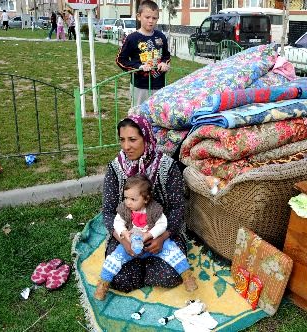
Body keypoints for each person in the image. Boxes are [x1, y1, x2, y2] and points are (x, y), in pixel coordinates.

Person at [102, 115, 189, 293]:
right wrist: (122, 240)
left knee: (169, 276)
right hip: (127, 236)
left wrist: (161, 237)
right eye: (122, 140)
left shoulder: (168, 167)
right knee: (119, 280)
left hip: (162, 235)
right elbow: (108, 212)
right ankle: (140, 266)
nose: (126, 146)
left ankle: (148, 265)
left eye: (132, 139)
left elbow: (177, 208)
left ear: (146, 137)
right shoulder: (115, 168)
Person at [95, 174, 197, 300]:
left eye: (133, 199)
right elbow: (117, 222)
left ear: (146, 199)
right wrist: (124, 234)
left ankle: (187, 276)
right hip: (131, 243)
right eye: (126, 198)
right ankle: (103, 284)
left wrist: (150, 235)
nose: (128, 202)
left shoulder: (154, 209)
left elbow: (162, 224)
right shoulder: (124, 209)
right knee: (115, 258)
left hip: (153, 242)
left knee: (172, 250)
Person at [115, 0, 170, 106]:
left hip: (159, 85)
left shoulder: (161, 36)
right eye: (147, 17)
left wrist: (164, 63)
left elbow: (166, 55)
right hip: (140, 86)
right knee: (139, 114)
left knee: (157, 114)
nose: (151, 21)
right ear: (139, 16)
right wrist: (138, 67)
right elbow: (120, 60)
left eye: (154, 18)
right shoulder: (132, 38)